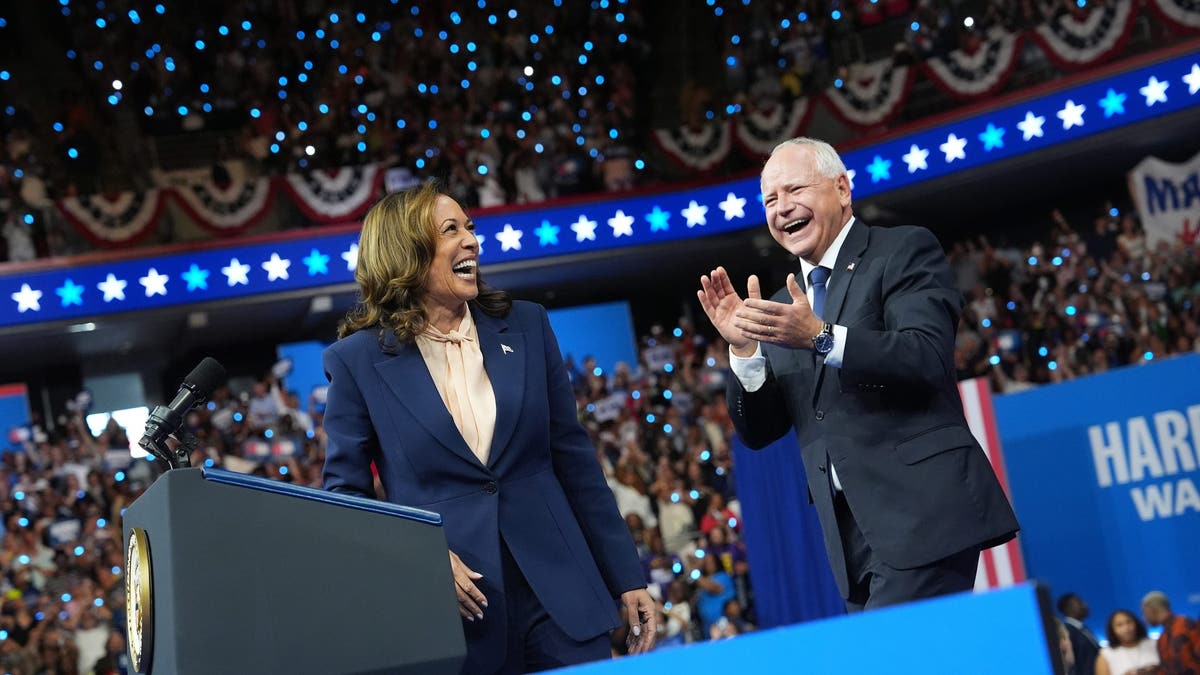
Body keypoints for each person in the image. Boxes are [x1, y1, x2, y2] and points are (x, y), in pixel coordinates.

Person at [322, 182, 656, 674]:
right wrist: (419, 560)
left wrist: (627, 576)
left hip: (561, 596)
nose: (472, 241)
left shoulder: (527, 325)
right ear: (405, 252)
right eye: (450, 230)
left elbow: (574, 459)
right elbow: (345, 499)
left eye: (471, 227)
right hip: (455, 614)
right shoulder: (357, 361)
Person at [697, 137, 1019, 611]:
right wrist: (744, 350)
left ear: (842, 189)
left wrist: (821, 336)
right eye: (769, 199)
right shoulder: (782, 306)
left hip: (923, 514)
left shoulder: (902, 250)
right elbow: (762, 432)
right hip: (850, 536)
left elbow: (926, 355)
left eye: (794, 190)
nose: (782, 208)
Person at [1141, 590, 1200, 674]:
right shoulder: (1162, 639)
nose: (1144, 618)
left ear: (1152, 610)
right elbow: (1167, 670)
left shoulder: (1187, 625)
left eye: (1144, 612)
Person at [1095, 609, 1159, 675]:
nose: (1126, 628)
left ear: (1136, 623)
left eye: (1129, 622)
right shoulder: (1106, 654)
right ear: (1112, 630)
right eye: (1119, 625)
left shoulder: (1153, 644)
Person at [1060, 592, 1102, 675]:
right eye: (1080, 602)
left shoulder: (1083, 629)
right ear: (1069, 608)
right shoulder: (1067, 632)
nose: (1085, 605)